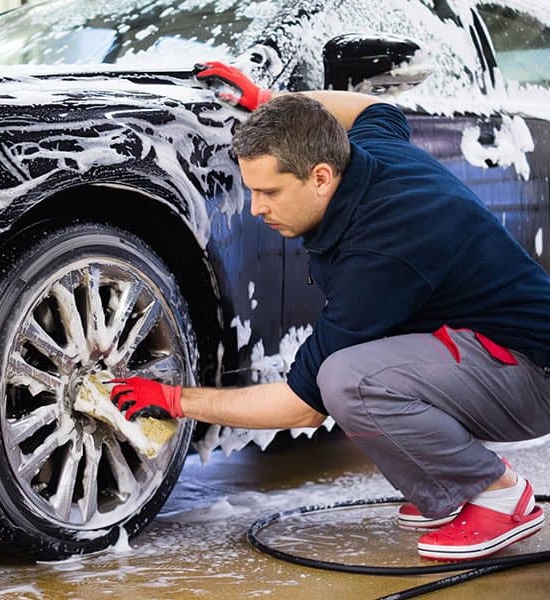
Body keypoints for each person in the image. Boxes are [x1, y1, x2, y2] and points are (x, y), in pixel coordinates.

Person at [109, 62, 550, 561]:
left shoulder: (381, 254)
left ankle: (499, 494)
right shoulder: (368, 153)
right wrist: (271, 101)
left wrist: (174, 399)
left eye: (269, 192)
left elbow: (303, 404)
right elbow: (375, 108)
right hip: (490, 350)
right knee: (353, 370)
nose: (256, 207)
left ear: (321, 177)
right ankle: (447, 491)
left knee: (345, 379)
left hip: (532, 376)